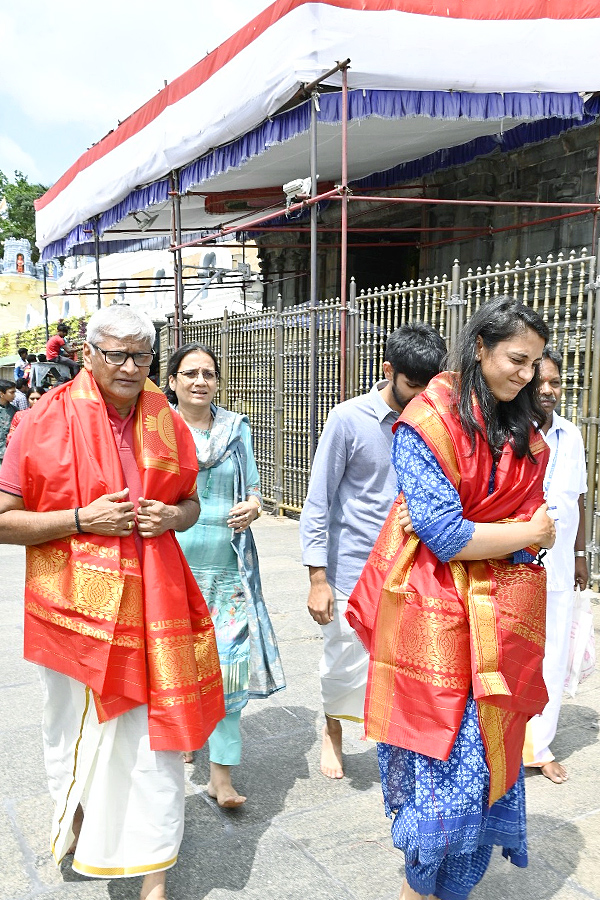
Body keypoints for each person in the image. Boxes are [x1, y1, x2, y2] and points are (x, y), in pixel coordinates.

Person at [0, 307, 225, 900]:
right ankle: (78, 811)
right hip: (72, 613)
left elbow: (192, 505)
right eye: (117, 355)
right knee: (72, 730)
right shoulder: (41, 422)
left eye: (141, 357)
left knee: (154, 743)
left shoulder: (167, 423)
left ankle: (154, 869)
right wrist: (81, 519)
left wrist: (172, 515)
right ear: (89, 354)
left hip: (155, 606)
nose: (130, 368)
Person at [347, 296, 556, 900]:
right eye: (516, 359)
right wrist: (526, 534)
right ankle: (419, 886)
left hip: (501, 612)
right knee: (446, 762)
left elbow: (519, 519)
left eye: (534, 364)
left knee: (491, 761)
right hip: (432, 611)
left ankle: (452, 889)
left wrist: (516, 537)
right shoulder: (431, 418)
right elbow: (443, 534)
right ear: (481, 348)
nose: (525, 374)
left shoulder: (521, 429)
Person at [299, 324, 447, 779]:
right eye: (412, 386)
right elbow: (319, 498)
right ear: (388, 371)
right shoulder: (347, 419)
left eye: (429, 386)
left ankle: (394, 743)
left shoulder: (434, 420)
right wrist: (317, 579)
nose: (422, 395)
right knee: (343, 662)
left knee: (406, 665)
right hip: (352, 568)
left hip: (413, 568)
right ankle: (333, 734)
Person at [166, 342, 285, 807]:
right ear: (172, 381)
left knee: (230, 666)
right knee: (176, 660)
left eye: (209, 373)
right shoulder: (158, 430)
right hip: (172, 565)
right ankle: (182, 736)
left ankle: (221, 775)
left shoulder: (237, 429)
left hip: (229, 567)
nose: (200, 381)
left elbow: (255, 488)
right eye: (190, 373)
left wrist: (254, 506)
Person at [523, 346, 588, 783]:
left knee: (552, 654)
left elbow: (579, 498)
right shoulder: (510, 432)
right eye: (540, 382)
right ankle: (505, 743)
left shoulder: (572, 435)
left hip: (561, 566)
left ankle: (539, 748)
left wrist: (581, 554)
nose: (548, 390)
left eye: (555, 383)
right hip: (516, 563)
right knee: (513, 654)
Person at [0, 379, 17, 464]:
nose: (14, 395)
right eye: (12, 392)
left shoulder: (15, 411)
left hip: (8, 455)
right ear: (1, 394)